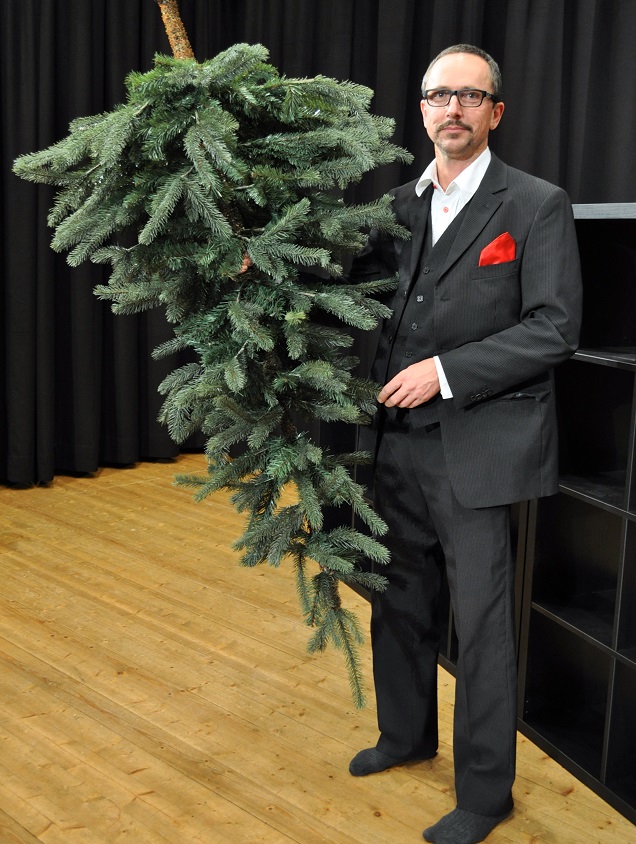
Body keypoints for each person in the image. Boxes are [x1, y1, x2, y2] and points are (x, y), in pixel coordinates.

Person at [348, 44, 583, 844]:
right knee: (398, 600)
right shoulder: (394, 206)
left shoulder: (536, 204)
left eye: (471, 96)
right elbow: (347, 295)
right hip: (394, 442)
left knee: (481, 628)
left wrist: (443, 372)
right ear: (422, 110)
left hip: (480, 450)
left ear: (495, 112)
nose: (454, 108)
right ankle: (404, 736)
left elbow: (553, 329)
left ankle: (486, 794)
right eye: (440, 95)